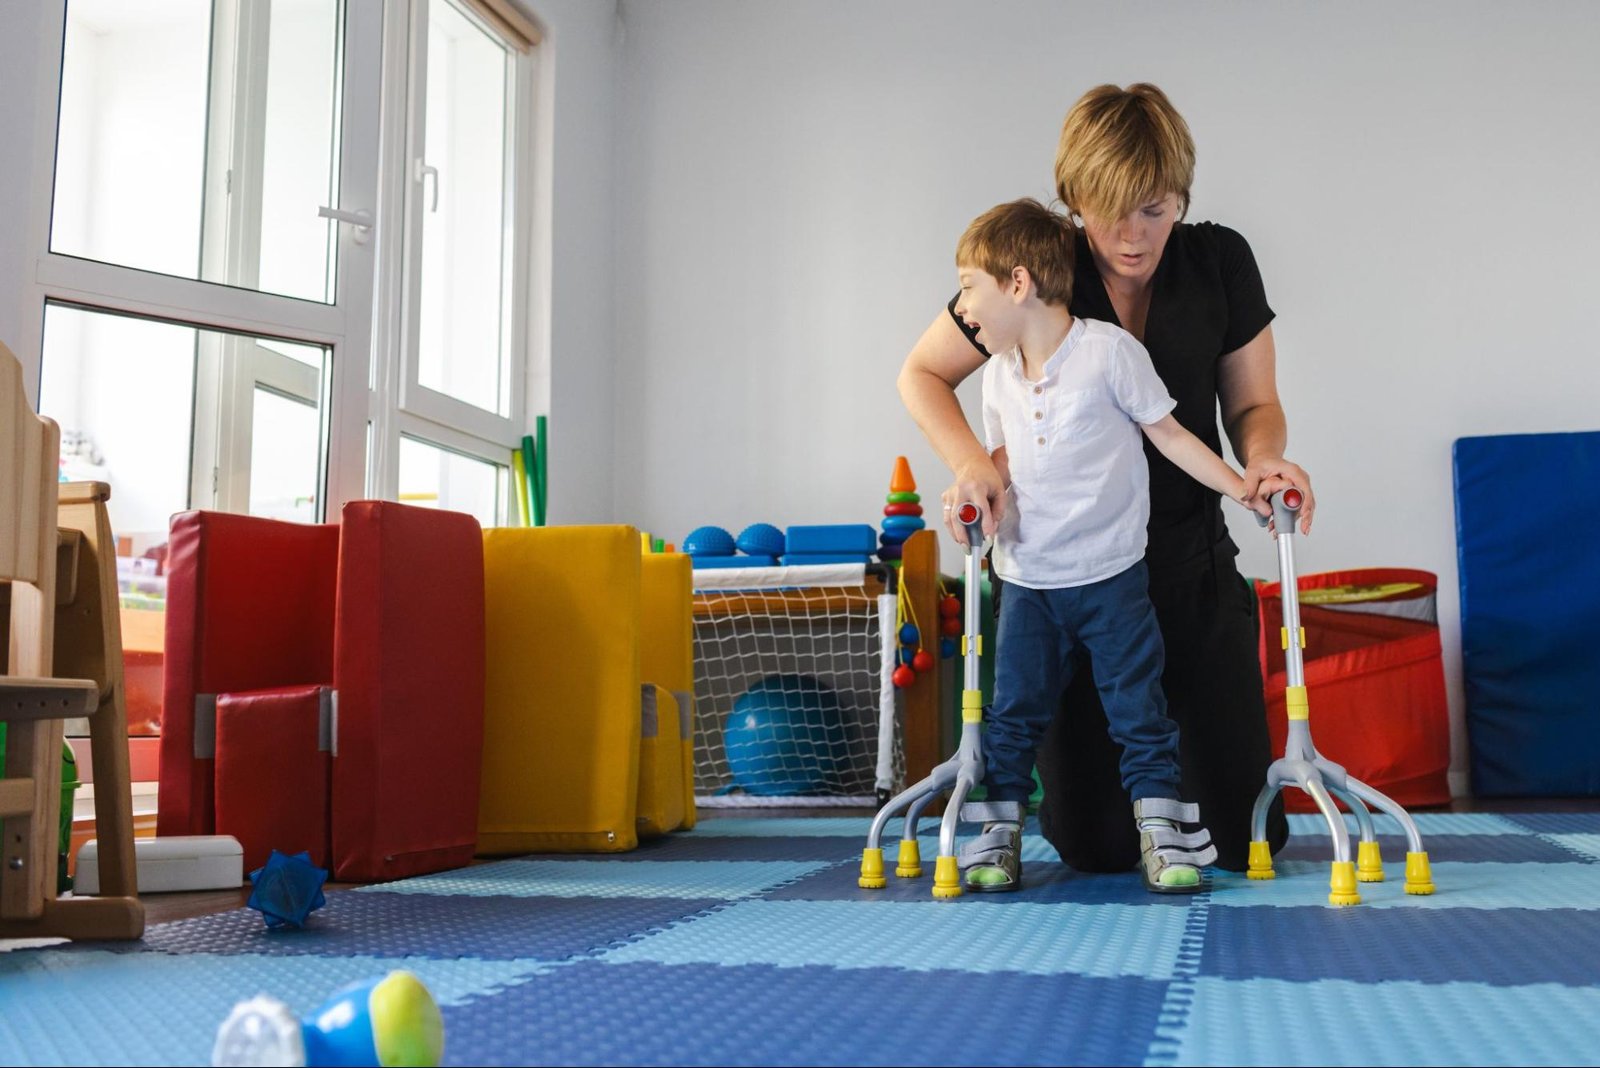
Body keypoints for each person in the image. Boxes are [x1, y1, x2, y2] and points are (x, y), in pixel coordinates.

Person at [899, 83, 1308, 874]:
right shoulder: (1034, 265)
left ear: (1181, 198)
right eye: (1107, 211)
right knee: (1096, 846)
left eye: (1154, 210)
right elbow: (922, 373)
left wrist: (1260, 462)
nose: (1131, 235)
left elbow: (1254, 402)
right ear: (1071, 200)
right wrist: (974, 467)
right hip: (1066, 584)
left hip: (1188, 573)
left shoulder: (1220, 260)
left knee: (1245, 837)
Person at [950, 198, 1258, 893]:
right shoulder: (998, 375)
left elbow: (1173, 436)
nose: (963, 307)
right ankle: (999, 839)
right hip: (1027, 581)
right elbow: (1002, 460)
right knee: (1014, 716)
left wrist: (1242, 487)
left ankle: (1163, 838)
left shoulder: (1109, 354)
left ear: (1019, 283)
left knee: (1138, 711)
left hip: (1113, 581)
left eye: (970, 285)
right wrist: (973, 491)